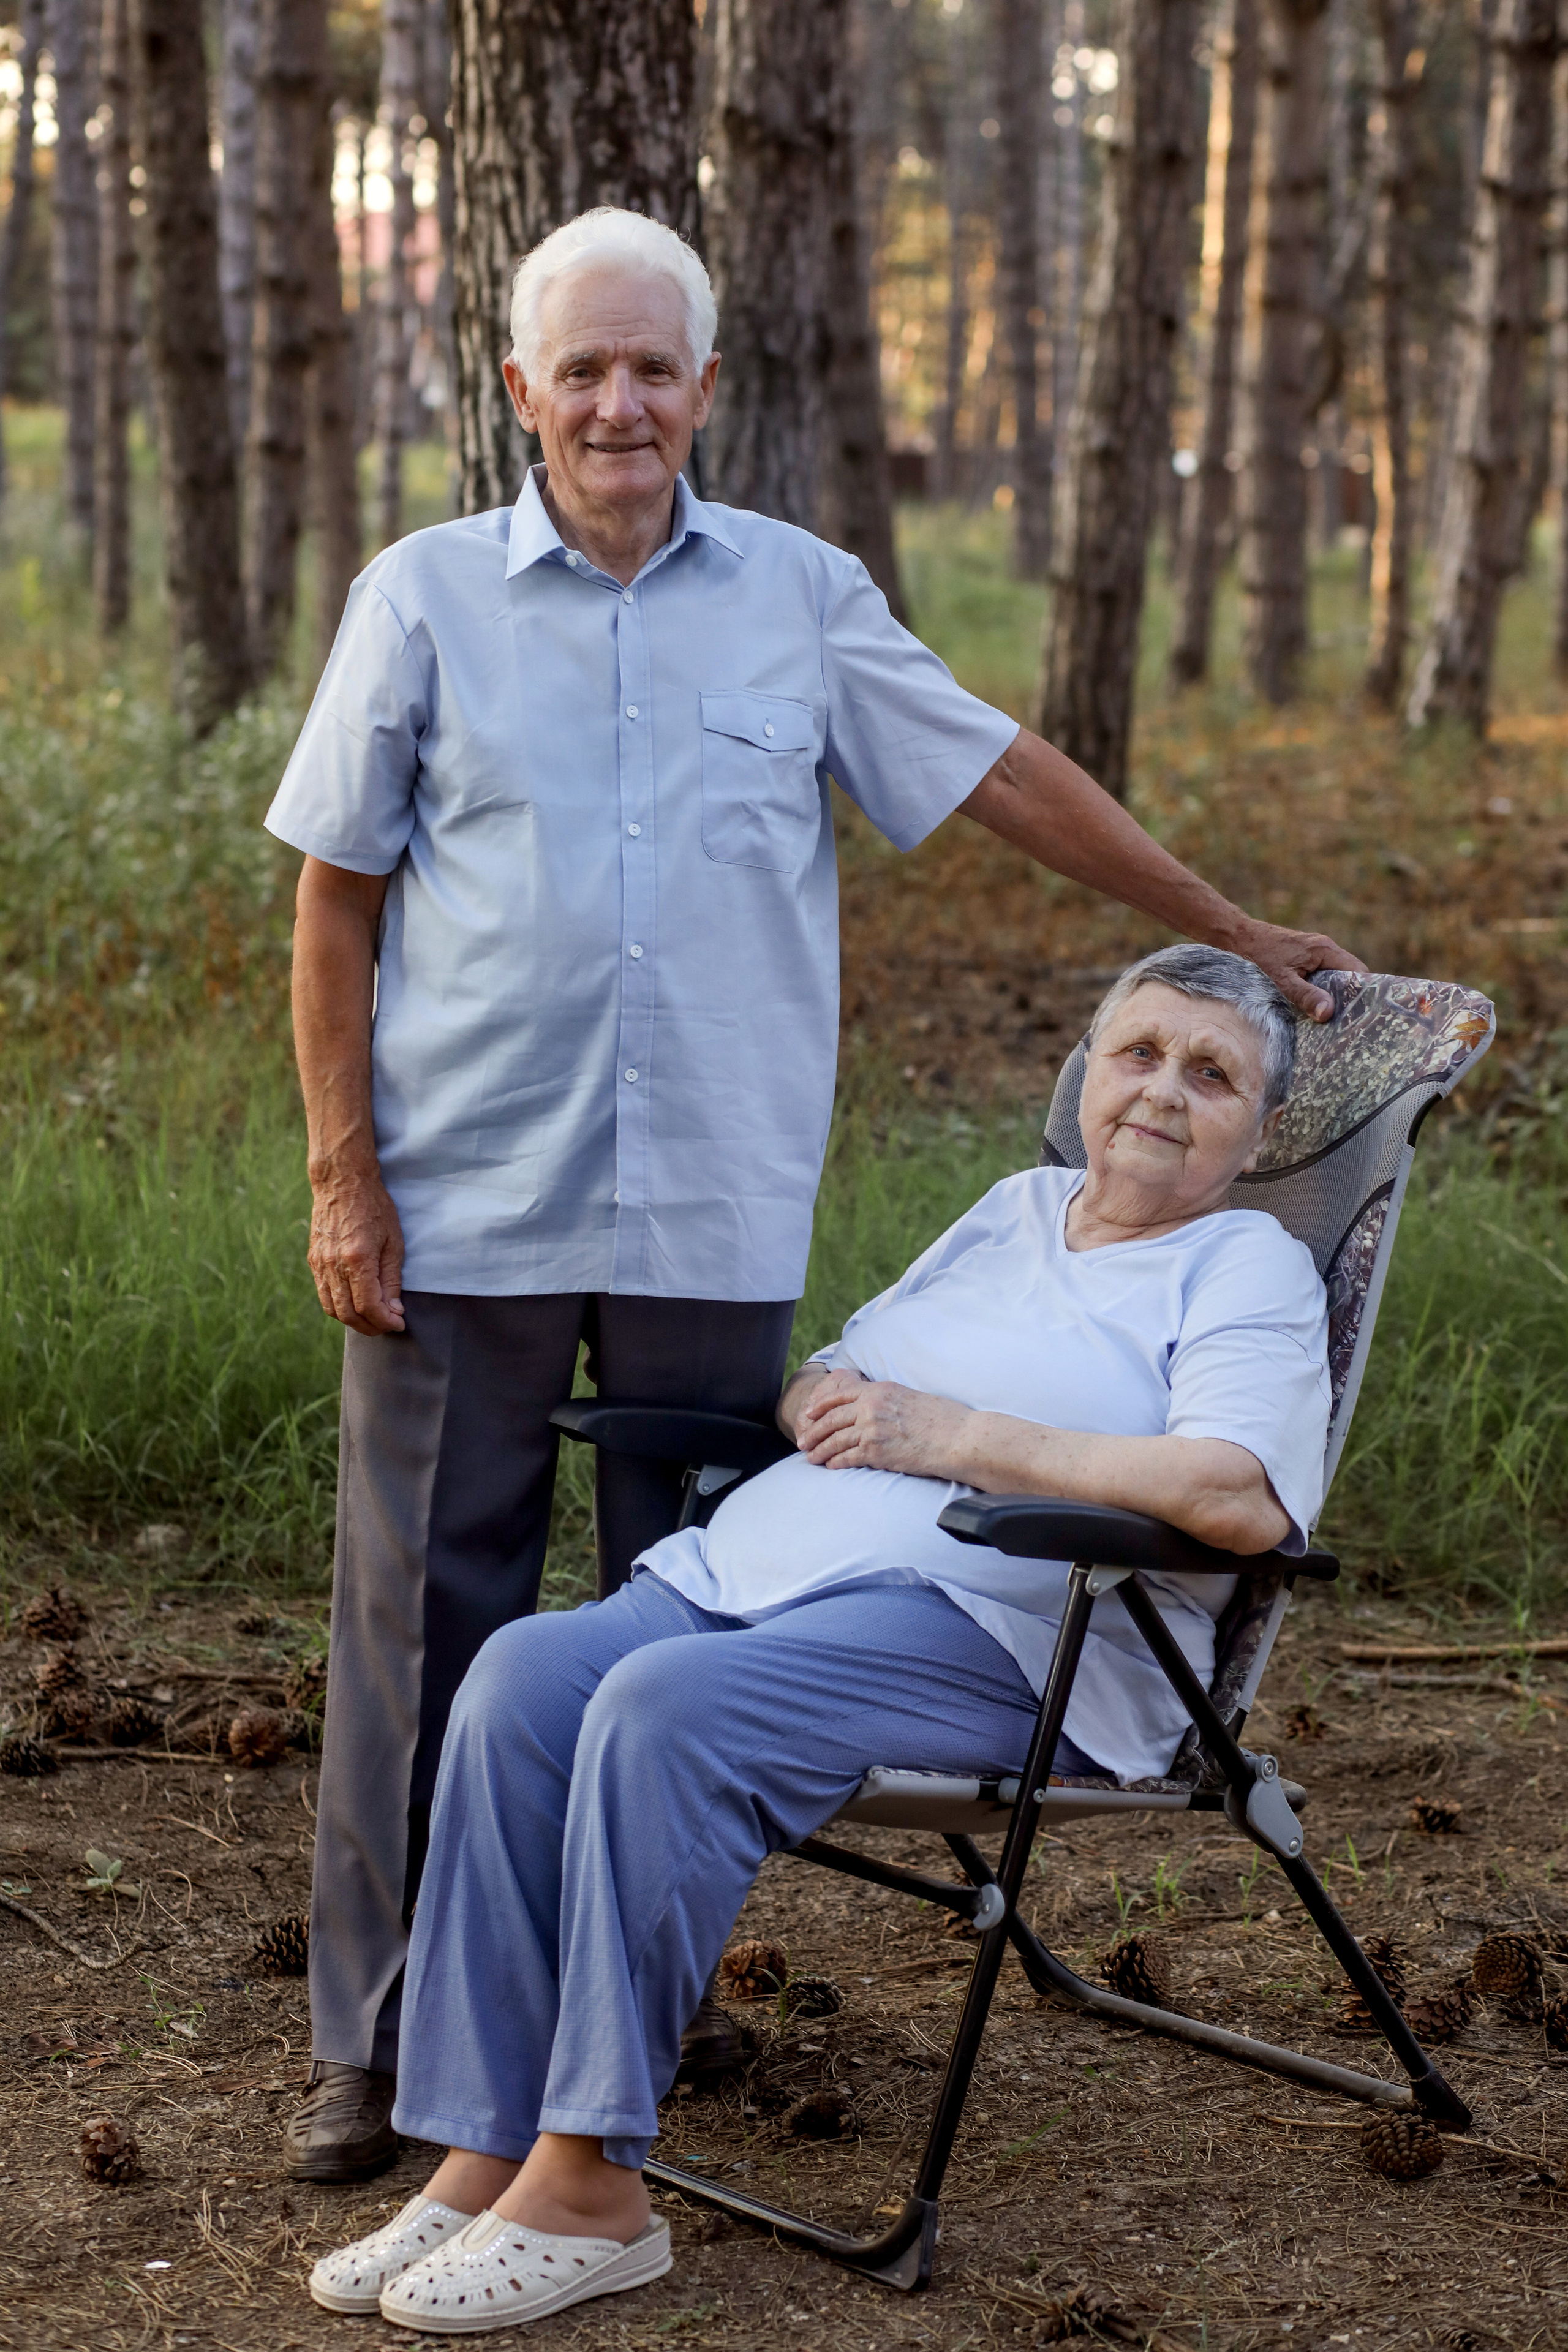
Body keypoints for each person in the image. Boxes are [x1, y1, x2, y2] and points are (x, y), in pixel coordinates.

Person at [268, 199, 1361, 2180]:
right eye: (580, 368)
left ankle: (616, 2047)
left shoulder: (803, 596)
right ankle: (385, 2045)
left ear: (708, 387)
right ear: (519, 388)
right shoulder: (418, 597)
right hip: (463, 1206)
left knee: (705, 1613)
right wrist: (344, 1176)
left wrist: (1219, 925)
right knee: (427, 1629)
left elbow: (1006, 773)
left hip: (710, 1209)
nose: (619, 402)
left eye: (653, 367)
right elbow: (335, 903)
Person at [304, 946, 1332, 2332]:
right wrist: (821, 1402)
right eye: (1138, 1051)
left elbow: (1235, 1493)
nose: (1160, 1090)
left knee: (665, 1709)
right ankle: (483, 2148)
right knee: (522, 1679)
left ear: (1256, 1132)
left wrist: (950, 1440)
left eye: (1210, 1075)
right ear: (1087, 1069)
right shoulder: (1015, 1208)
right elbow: (845, 1365)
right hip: (764, 1574)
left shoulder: (1243, 1266)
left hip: (1003, 1633)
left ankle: (591, 2186)